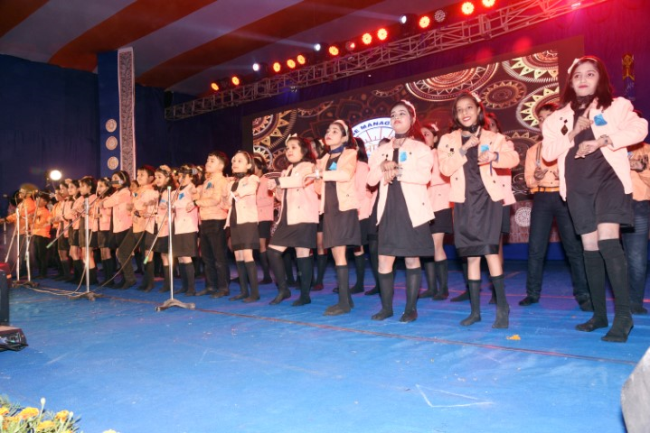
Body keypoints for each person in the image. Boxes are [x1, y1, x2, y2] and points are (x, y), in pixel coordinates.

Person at [542, 55, 648, 342]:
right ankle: (599, 315)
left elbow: (640, 128)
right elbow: (548, 153)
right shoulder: (557, 118)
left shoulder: (616, 106)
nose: (583, 79)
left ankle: (623, 317)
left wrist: (604, 140)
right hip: (577, 186)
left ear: (600, 78)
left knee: (609, 241)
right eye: (577, 75)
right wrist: (573, 133)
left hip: (608, 181)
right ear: (570, 82)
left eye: (590, 74)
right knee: (589, 246)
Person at [438, 91, 520, 329]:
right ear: (455, 115)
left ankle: (502, 307)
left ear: (478, 110)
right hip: (463, 202)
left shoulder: (494, 137)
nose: (465, 113)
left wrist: (494, 155)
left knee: (490, 252)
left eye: (469, 108)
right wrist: (464, 149)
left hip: (488, 200)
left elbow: (513, 158)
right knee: (471, 256)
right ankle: (475, 312)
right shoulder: (448, 140)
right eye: (460, 110)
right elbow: (445, 168)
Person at [367, 100, 435, 322]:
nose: (396, 117)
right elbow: (370, 180)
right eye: (393, 114)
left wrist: (397, 170)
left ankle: (410, 309)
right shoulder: (381, 150)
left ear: (412, 119)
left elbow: (424, 176)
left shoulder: (421, 148)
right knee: (383, 261)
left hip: (411, 210)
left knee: (411, 260)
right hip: (387, 209)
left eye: (402, 113)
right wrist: (381, 167)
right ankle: (386, 308)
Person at [520, 102, 590, 310]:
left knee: (573, 249)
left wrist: (566, 176)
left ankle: (583, 294)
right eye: (541, 120)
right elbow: (528, 181)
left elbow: (582, 173)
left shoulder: (570, 143)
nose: (544, 123)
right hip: (542, 198)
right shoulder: (534, 150)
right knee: (536, 249)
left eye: (548, 118)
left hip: (563, 197)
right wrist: (536, 177)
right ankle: (532, 293)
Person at [307, 120, 360, 316]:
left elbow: (345, 175)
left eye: (335, 131)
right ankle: (347, 300)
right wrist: (316, 177)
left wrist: (321, 174)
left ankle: (344, 303)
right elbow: (319, 189)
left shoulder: (350, 153)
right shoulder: (323, 159)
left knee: (339, 253)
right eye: (328, 130)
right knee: (337, 254)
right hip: (329, 209)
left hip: (343, 208)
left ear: (345, 137)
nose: (329, 133)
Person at [266, 135, 320, 306]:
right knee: (272, 252)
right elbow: (282, 196)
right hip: (287, 217)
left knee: (302, 254)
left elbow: (301, 181)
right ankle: (284, 289)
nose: (289, 151)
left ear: (304, 150)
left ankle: (305, 295)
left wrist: (278, 181)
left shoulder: (310, 167)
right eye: (287, 148)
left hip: (304, 216)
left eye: (294, 147)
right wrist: (276, 189)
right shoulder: (287, 170)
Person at [419, 122, 452, 301]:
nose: (423, 137)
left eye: (427, 134)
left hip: (440, 202)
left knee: (436, 245)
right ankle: (431, 287)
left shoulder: (439, 154)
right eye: (421, 135)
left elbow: (442, 176)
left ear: (435, 137)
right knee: (426, 247)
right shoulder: (417, 157)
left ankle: (443, 288)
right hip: (424, 205)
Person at [621, 111, 650, 315]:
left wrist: (642, 170)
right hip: (608, 206)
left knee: (637, 257)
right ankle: (610, 299)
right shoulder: (609, 149)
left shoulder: (647, 150)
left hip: (637, 205)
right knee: (607, 255)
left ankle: (634, 301)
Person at [193, 151, 230, 298]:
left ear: (221, 166)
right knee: (207, 257)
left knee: (218, 256)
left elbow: (215, 199)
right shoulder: (207, 181)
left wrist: (197, 202)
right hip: (205, 220)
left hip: (217, 220)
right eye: (208, 160)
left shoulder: (221, 181)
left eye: (212, 161)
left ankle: (223, 287)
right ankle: (210, 285)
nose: (208, 163)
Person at [226, 150, 261, 303]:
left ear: (248, 165)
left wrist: (236, 193)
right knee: (238, 256)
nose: (235, 163)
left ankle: (254, 293)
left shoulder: (252, 178)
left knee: (247, 255)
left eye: (239, 161)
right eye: (234, 161)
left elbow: (251, 189)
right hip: (234, 221)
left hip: (247, 221)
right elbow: (227, 203)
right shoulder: (230, 183)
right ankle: (243, 291)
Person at [101, 171, 133, 288]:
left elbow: (107, 203)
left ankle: (128, 279)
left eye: (116, 178)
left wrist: (103, 203)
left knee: (123, 253)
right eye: (112, 178)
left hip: (125, 225)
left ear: (123, 180)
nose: (112, 180)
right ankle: (124, 278)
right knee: (119, 253)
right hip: (117, 227)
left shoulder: (125, 192)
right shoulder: (116, 193)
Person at [173, 164, 200, 296]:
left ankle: (191, 288)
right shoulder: (177, 190)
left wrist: (174, 204)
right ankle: (184, 286)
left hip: (188, 226)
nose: (181, 178)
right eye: (179, 175)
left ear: (191, 177)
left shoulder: (192, 188)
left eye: (184, 175)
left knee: (187, 256)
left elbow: (191, 201)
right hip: (178, 226)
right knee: (180, 257)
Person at [254, 154, 275, 285]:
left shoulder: (266, 181)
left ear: (260, 167)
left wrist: (254, 202)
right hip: (253, 217)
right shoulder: (251, 181)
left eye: (254, 166)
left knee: (262, 245)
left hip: (264, 217)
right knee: (256, 246)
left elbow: (269, 200)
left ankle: (267, 275)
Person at [76, 176, 99, 284]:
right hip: (82, 225)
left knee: (88, 253)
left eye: (82, 186)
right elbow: (75, 208)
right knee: (84, 253)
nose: (80, 188)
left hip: (89, 227)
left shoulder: (93, 197)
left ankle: (92, 278)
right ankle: (87, 276)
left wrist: (82, 209)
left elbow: (90, 212)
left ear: (90, 187)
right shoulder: (82, 198)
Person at [95, 177, 116, 287]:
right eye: (98, 186)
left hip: (107, 228)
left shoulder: (109, 198)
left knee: (107, 253)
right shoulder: (98, 199)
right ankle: (106, 277)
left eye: (101, 186)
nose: (98, 188)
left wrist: (101, 214)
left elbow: (111, 214)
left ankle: (110, 278)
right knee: (102, 253)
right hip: (100, 228)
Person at [31, 192, 52, 279]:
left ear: (45, 202)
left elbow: (45, 223)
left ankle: (43, 273)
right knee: (36, 255)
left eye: (40, 199)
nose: (37, 200)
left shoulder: (46, 212)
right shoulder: (36, 210)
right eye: (37, 199)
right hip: (35, 234)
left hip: (42, 235)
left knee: (42, 255)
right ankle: (40, 272)